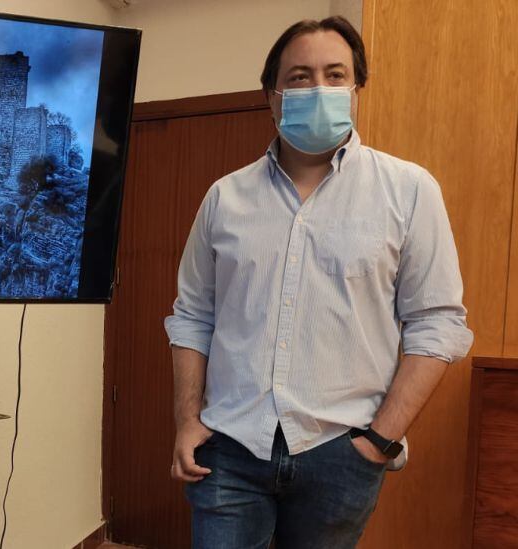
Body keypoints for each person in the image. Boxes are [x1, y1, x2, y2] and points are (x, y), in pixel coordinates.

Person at [164, 16, 473, 549]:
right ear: (273, 95)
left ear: (356, 91)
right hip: (230, 447)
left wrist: (380, 439)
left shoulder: (409, 191)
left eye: (335, 75)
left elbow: (437, 323)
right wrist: (187, 419)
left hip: (341, 452)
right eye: (301, 76)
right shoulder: (225, 197)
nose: (319, 88)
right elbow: (193, 315)